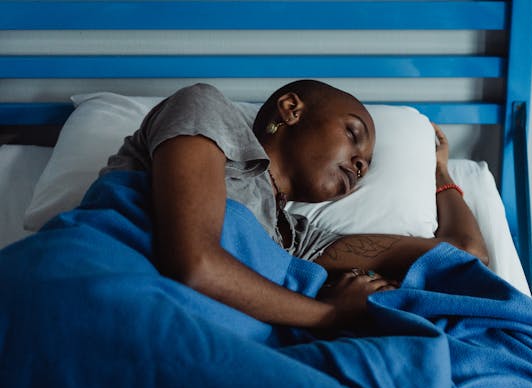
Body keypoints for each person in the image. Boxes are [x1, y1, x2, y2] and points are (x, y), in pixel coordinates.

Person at [104, 81, 488, 330]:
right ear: (291, 108)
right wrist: (332, 315)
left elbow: (467, 255)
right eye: (353, 134)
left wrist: (438, 172)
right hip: (115, 295)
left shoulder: (296, 241)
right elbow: (195, 265)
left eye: (365, 166)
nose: (359, 164)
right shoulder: (205, 109)